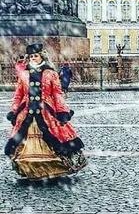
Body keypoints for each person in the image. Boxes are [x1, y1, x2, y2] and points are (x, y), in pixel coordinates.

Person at [5, 44, 87, 180]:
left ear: (41, 56)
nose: (33, 58)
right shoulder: (24, 74)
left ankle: (52, 167)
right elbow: (18, 94)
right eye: (31, 56)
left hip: (46, 111)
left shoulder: (51, 74)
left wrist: (62, 111)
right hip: (27, 112)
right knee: (24, 138)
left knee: (53, 135)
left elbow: (57, 94)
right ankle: (32, 169)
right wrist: (14, 111)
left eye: (36, 56)